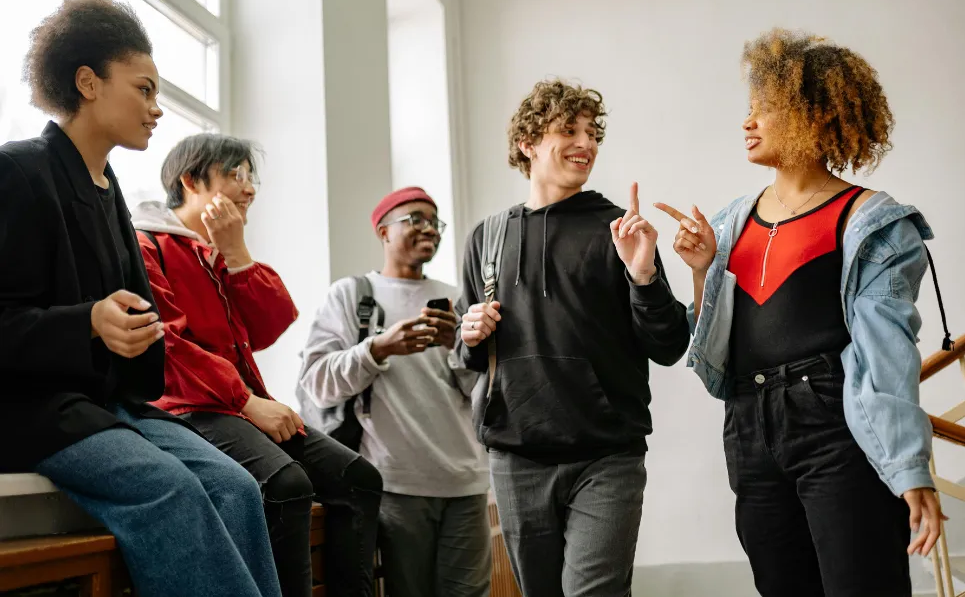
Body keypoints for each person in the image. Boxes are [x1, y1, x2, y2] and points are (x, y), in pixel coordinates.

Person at [0, 0, 282, 597]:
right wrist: (88, 323)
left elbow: (139, 339)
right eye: (144, 89)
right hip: (32, 406)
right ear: (87, 82)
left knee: (236, 486)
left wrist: (126, 331)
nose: (157, 109)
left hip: (107, 405)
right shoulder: (18, 171)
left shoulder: (112, 194)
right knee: (174, 489)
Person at [655, 28, 946, 597]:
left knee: (862, 584)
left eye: (764, 111)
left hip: (832, 423)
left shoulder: (872, 222)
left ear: (812, 118)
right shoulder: (731, 220)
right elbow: (713, 337)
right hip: (747, 423)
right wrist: (699, 270)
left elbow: (888, 351)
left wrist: (910, 468)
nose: (747, 122)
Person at [454, 79, 691, 596]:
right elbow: (466, 355)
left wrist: (644, 276)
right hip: (516, 456)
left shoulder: (618, 231)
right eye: (568, 130)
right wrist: (470, 334)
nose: (585, 143)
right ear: (528, 143)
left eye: (591, 132)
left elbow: (670, 345)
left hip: (607, 455)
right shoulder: (487, 237)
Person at [131, 133, 383, 597]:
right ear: (191, 181)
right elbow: (166, 344)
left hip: (240, 404)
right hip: (189, 408)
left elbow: (269, 326)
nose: (250, 189)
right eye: (236, 175)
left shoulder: (216, 254)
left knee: (358, 478)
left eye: (252, 178)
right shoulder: (145, 244)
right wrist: (247, 402)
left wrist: (238, 254)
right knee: (286, 484)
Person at [296, 186, 491, 597]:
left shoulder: (458, 300)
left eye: (434, 222)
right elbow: (315, 384)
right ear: (384, 232)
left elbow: (487, 393)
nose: (429, 230)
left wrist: (456, 348)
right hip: (396, 484)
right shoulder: (351, 296)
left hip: (467, 482)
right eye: (415, 219)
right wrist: (378, 348)